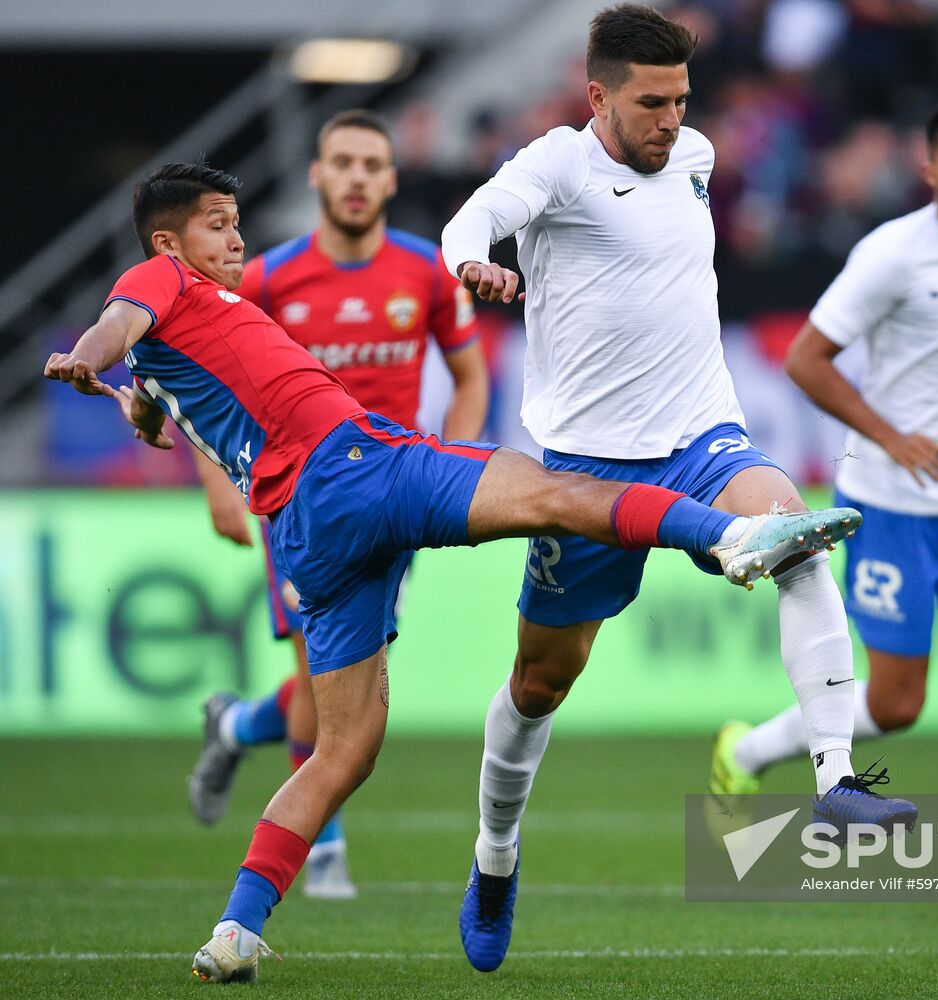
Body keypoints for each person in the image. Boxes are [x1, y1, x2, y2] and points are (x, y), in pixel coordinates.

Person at [43, 160, 864, 983]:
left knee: (344, 749)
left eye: (235, 220)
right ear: (167, 241)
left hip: (302, 531)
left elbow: (147, 390)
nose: (236, 236)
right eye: (218, 223)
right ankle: (732, 538)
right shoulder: (160, 279)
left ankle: (236, 929)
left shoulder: (172, 340)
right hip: (354, 463)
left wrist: (132, 399)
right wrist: (86, 357)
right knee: (554, 491)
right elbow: (117, 323)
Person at [440, 3, 916, 973]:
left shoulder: (694, 158)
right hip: (581, 474)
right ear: (598, 96)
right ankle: (495, 855)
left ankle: (833, 779)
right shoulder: (558, 167)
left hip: (702, 441)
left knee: (793, 533)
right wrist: (470, 264)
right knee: (541, 682)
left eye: (680, 99)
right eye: (650, 102)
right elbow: (472, 217)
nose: (669, 120)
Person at [709, 97, 938, 917]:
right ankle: (749, 748)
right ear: (929, 167)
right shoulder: (890, 255)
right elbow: (806, 359)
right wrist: (891, 434)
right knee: (897, 704)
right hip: (889, 502)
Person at [185, 109, 490, 901]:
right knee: (328, 684)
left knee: (346, 679)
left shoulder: (426, 272)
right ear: (316, 175)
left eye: (371, 164)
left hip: (394, 498)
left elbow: (470, 381)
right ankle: (323, 853)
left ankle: (235, 725)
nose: (356, 177)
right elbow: (193, 366)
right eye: (342, 162)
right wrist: (219, 482)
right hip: (298, 504)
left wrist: (451, 474)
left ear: (391, 180)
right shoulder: (269, 278)